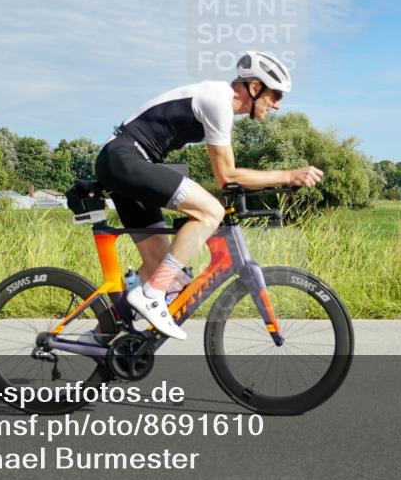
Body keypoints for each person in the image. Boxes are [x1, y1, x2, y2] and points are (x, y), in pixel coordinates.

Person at [94, 51, 323, 340]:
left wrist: (278, 181)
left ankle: (99, 336)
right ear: (254, 88)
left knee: (161, 267)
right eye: (275, 96)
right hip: (125, 159)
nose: (277, 105)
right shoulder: (218, 100)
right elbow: (226, 175)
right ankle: (153, 295)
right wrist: (289, 175)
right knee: (210, 212)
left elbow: (229, 177)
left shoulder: (218, 102)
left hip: (127, 163)